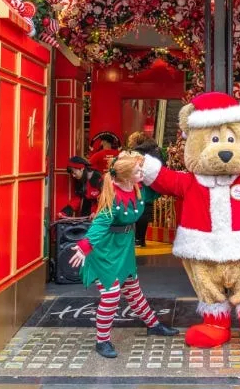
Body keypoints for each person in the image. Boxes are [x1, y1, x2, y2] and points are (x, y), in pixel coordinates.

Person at [69, 151, 179, 358]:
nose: (142, 172)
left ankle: (153, 325)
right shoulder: (113, 196)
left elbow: (161, 188)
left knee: (133, 290)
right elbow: (100, 224)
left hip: (124, 247)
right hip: (105, 250)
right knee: (111, 296)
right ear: (128, 175)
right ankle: (102, 341)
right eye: (138, 170)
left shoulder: (138, 189)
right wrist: (85, 246)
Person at [131, 137, 164, 248]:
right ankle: (141, 239)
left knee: (139, 209)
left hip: (140, 183)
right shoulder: (157, 150)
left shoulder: (138, 152)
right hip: (153, 182)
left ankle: (137, 239)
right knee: (146, 208)